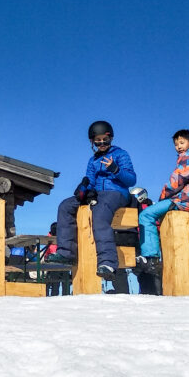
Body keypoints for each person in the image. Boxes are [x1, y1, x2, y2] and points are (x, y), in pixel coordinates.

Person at [55, 120, 136, 290]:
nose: (101, 143)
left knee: (99, 214)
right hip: (99, 193)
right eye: (97, 141)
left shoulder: (120, 154)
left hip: (116, 192)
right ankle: (66, 253)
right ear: (92, 141)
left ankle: (108, 262)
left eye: (104, 140)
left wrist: (115, 169)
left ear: (110, 138)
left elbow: (131, 179)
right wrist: (84, 188)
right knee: (65, 206)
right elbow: (90, 179)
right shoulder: (93, 160)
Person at [135, 130, 189, 277]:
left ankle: (151, 257)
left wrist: (162, 197)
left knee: (147, 214)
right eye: (176, 144)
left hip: (188, 199)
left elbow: (176, 181)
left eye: (182, 142)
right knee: (164, 215)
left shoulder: (188, 156)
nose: (179, 146)